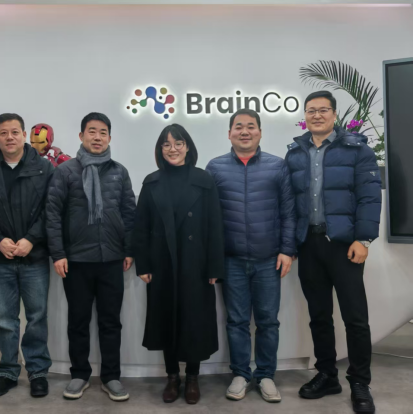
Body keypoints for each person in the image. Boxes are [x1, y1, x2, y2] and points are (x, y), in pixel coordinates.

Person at [286, 91, 382, 415]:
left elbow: (370, 197)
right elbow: (289, 203)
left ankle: (360, 382)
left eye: (323, 110)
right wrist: (291, 243)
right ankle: (327, 375)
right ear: (305, 116)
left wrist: (364, 239)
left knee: (355, 318)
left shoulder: (357, 149)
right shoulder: (295, 153)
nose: (317, 115)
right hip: (309, 244)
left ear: (334, 114)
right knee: (319, 315)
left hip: (344, 246)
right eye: (311, 110)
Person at [206, 109, 296, 404]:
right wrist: (213, 259)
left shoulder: (277, 166)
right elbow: (208, 218)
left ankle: (266, 375)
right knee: (236, 321)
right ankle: (241, 374)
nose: (245, 131)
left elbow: (288, 212)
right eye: (238, 126)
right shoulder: (215, 167)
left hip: (268, 259)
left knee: (268, 321)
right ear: (229, 133)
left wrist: (287, 250)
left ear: (260, 132)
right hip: (230, 260)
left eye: (251, 126)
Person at [46, 112, 136, 402]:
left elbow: (129, 213)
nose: (97, 137)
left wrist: (129, 249)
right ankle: (79, 375)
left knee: (111, 322)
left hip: (111, 259)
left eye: (103, 132)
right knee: (78, 321)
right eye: (92, 131)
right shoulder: (65, 171)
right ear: (81, 136)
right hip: (76, 261)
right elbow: (53, 215)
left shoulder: (119, 172)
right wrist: (58, 253)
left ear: (109, 137)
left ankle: (111, 376)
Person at [133, 124, 225, 405]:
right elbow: (141, 227)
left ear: (188, 147)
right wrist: (143, 265)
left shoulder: (204, 180)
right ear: (160, 149)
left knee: (194, 320)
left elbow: (215, 226)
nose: (172, 149)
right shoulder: (151, 182)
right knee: (166, 319)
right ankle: (172, 376)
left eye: (178, 143)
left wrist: (214, 267)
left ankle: (193, 377)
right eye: (166, 144)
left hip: (196, 263)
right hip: (161, 263)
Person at [0, 113, 55, 399]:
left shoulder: (43, 168)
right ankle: (7, 371)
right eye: (3, 133)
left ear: (24, 135)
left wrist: (31, 239)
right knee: (5, 320)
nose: (10, 137)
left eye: (15, 132)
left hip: (34, 257)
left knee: (37, 317)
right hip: (0, 259)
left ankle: (38, 372)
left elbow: (52, 209)